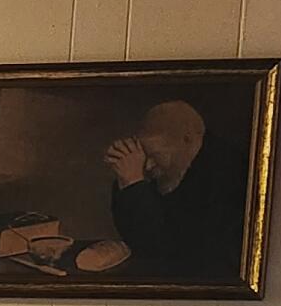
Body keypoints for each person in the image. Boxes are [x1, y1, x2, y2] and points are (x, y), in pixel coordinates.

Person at [103, 98, 246, 281]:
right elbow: (135, 237)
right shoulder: (173, 165)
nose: (147, 166)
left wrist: (134, 184)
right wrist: (126, 180)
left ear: (187, 140)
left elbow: (164, 247)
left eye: (154, 155)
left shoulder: (226, 175)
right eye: (144, 156)